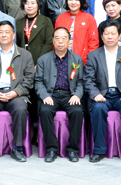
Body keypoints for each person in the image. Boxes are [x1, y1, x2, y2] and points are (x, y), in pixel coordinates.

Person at [85, 20, 121, 164]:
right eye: (106, 34)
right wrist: (96, 94)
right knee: (98, 109)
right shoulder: (93, 55)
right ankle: (99, 150)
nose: (110, 36)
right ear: (102, 36)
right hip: (102, 95)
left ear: (119, 36)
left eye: (113, 33)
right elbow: (88, 80)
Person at [0, 21, 35, 163]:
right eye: (0, 32)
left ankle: (17, 148)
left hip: (16, 94)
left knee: (21, 109)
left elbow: (29, 79)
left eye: (7, 32)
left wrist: (16, 92)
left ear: (13, 35)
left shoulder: (25, 55)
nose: (3, 35)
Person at [35, 27, 85, 163]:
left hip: (70, 95)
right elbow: (38, 81)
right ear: (53, 41)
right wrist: (45, 96)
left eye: (64, 38)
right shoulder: (43, 59)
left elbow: (81, 82)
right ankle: (51, 149)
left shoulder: (77, 59)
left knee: (77, 112)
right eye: (57, 38)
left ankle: (72, 150)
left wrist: (77, 95)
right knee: (45, 111)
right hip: (51, 95)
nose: (61, 41)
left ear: (69, 41)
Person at [54, 0, 99, 64]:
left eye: (76, 0)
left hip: (83, 61)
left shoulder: (89, 18)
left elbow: (93, 42)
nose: (73, 2)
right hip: (62, 60)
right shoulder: (61, 18)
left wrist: (89, 61)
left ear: (81, 1)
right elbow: (55, 40)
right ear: (67, 1)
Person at [16, 0, 54, 65]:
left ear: (38, 5)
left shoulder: (46, 21)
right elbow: (17, 44)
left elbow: (49, 43)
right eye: (26, 3)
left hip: (41, 61)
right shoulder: (18, 22)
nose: (29, 6)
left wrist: (40, 62)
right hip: (23, 61)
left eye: (33, 3)